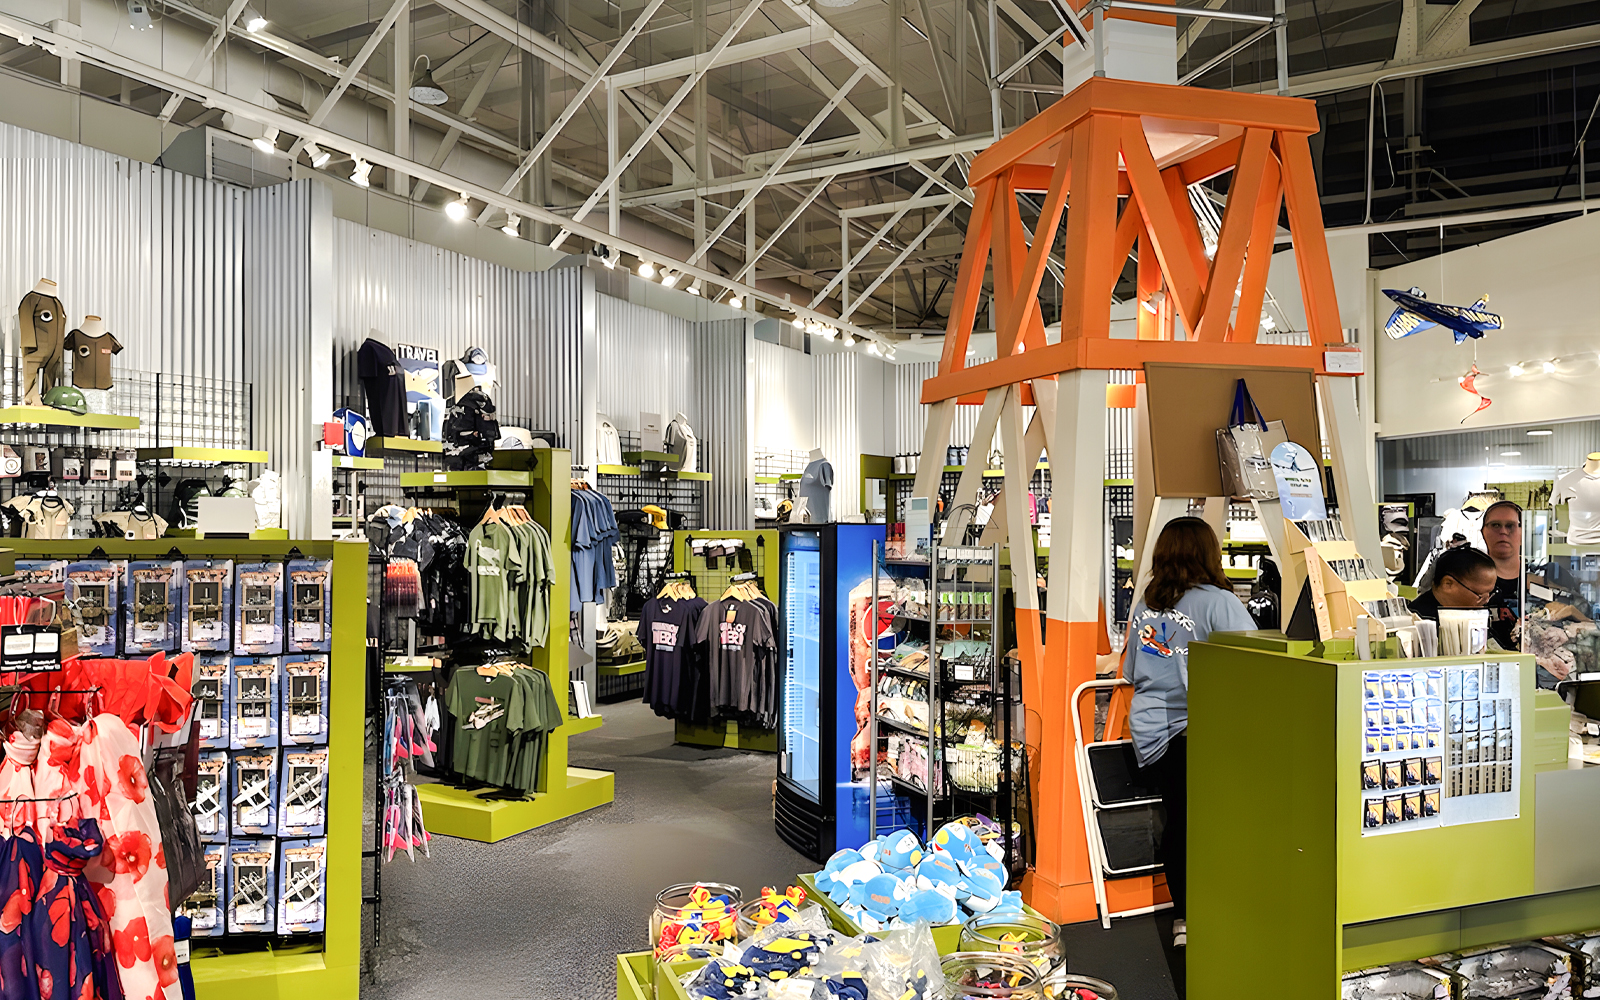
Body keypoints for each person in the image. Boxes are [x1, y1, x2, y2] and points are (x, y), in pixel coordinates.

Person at [1124, 517, 1255, 949]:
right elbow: (1254, 664)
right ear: (1208, 553)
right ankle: (1220, 912)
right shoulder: (1220, 603)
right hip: (1199, 729)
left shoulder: (1145, 604)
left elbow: (1130, 671)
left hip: (1149, 732)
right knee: (1211, 824)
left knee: (1176, 822)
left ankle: (1184, 920)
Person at [1408, 545, 1498, 624]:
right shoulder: (1416, 623)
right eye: (1480, 596)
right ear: (1448, 584)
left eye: (1490, 593)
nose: (1486, 601)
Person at [1481, 500, 1523, 649]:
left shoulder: (1545, 578)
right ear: (1483, 532)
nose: (1503, 532)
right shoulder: (1468, 580)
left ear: (1522, 532)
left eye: (1510, 526)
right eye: (1495, 525)